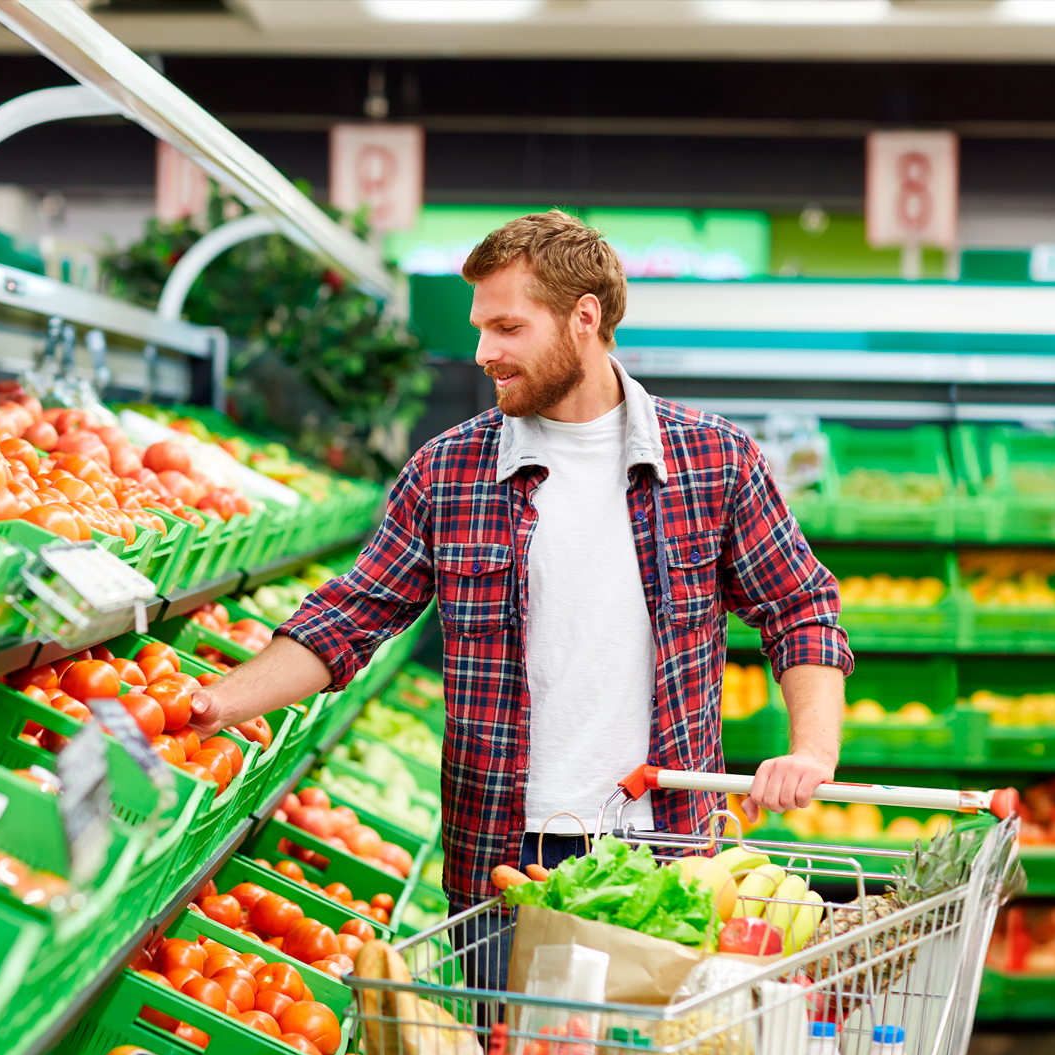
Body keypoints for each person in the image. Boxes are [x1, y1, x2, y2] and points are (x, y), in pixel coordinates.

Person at [187, 211, 852, 912]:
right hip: (502, 863)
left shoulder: (713, 460)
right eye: (481, 328)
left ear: (583, 318)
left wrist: (812, 751)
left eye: (507, 328)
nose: (483, 352)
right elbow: (350, 619)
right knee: (506, 1027)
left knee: (648, 1027)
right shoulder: (448, 471)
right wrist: (214, 704)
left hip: (668, 850)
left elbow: (799, 606)